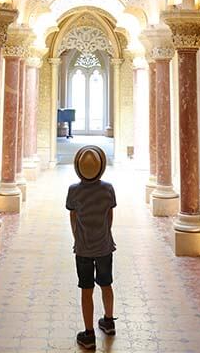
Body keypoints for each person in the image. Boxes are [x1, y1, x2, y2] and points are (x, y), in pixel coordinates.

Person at [66, 145, 117, 350]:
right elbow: (110, 216)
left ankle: (88, 335)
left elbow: (73, 217)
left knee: (86, 290)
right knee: (106, 284)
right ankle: (109, 321)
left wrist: (78, 239)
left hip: (83, 250)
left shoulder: (74, 190)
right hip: (105, 246)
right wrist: (104, 234)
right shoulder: (108, 189)